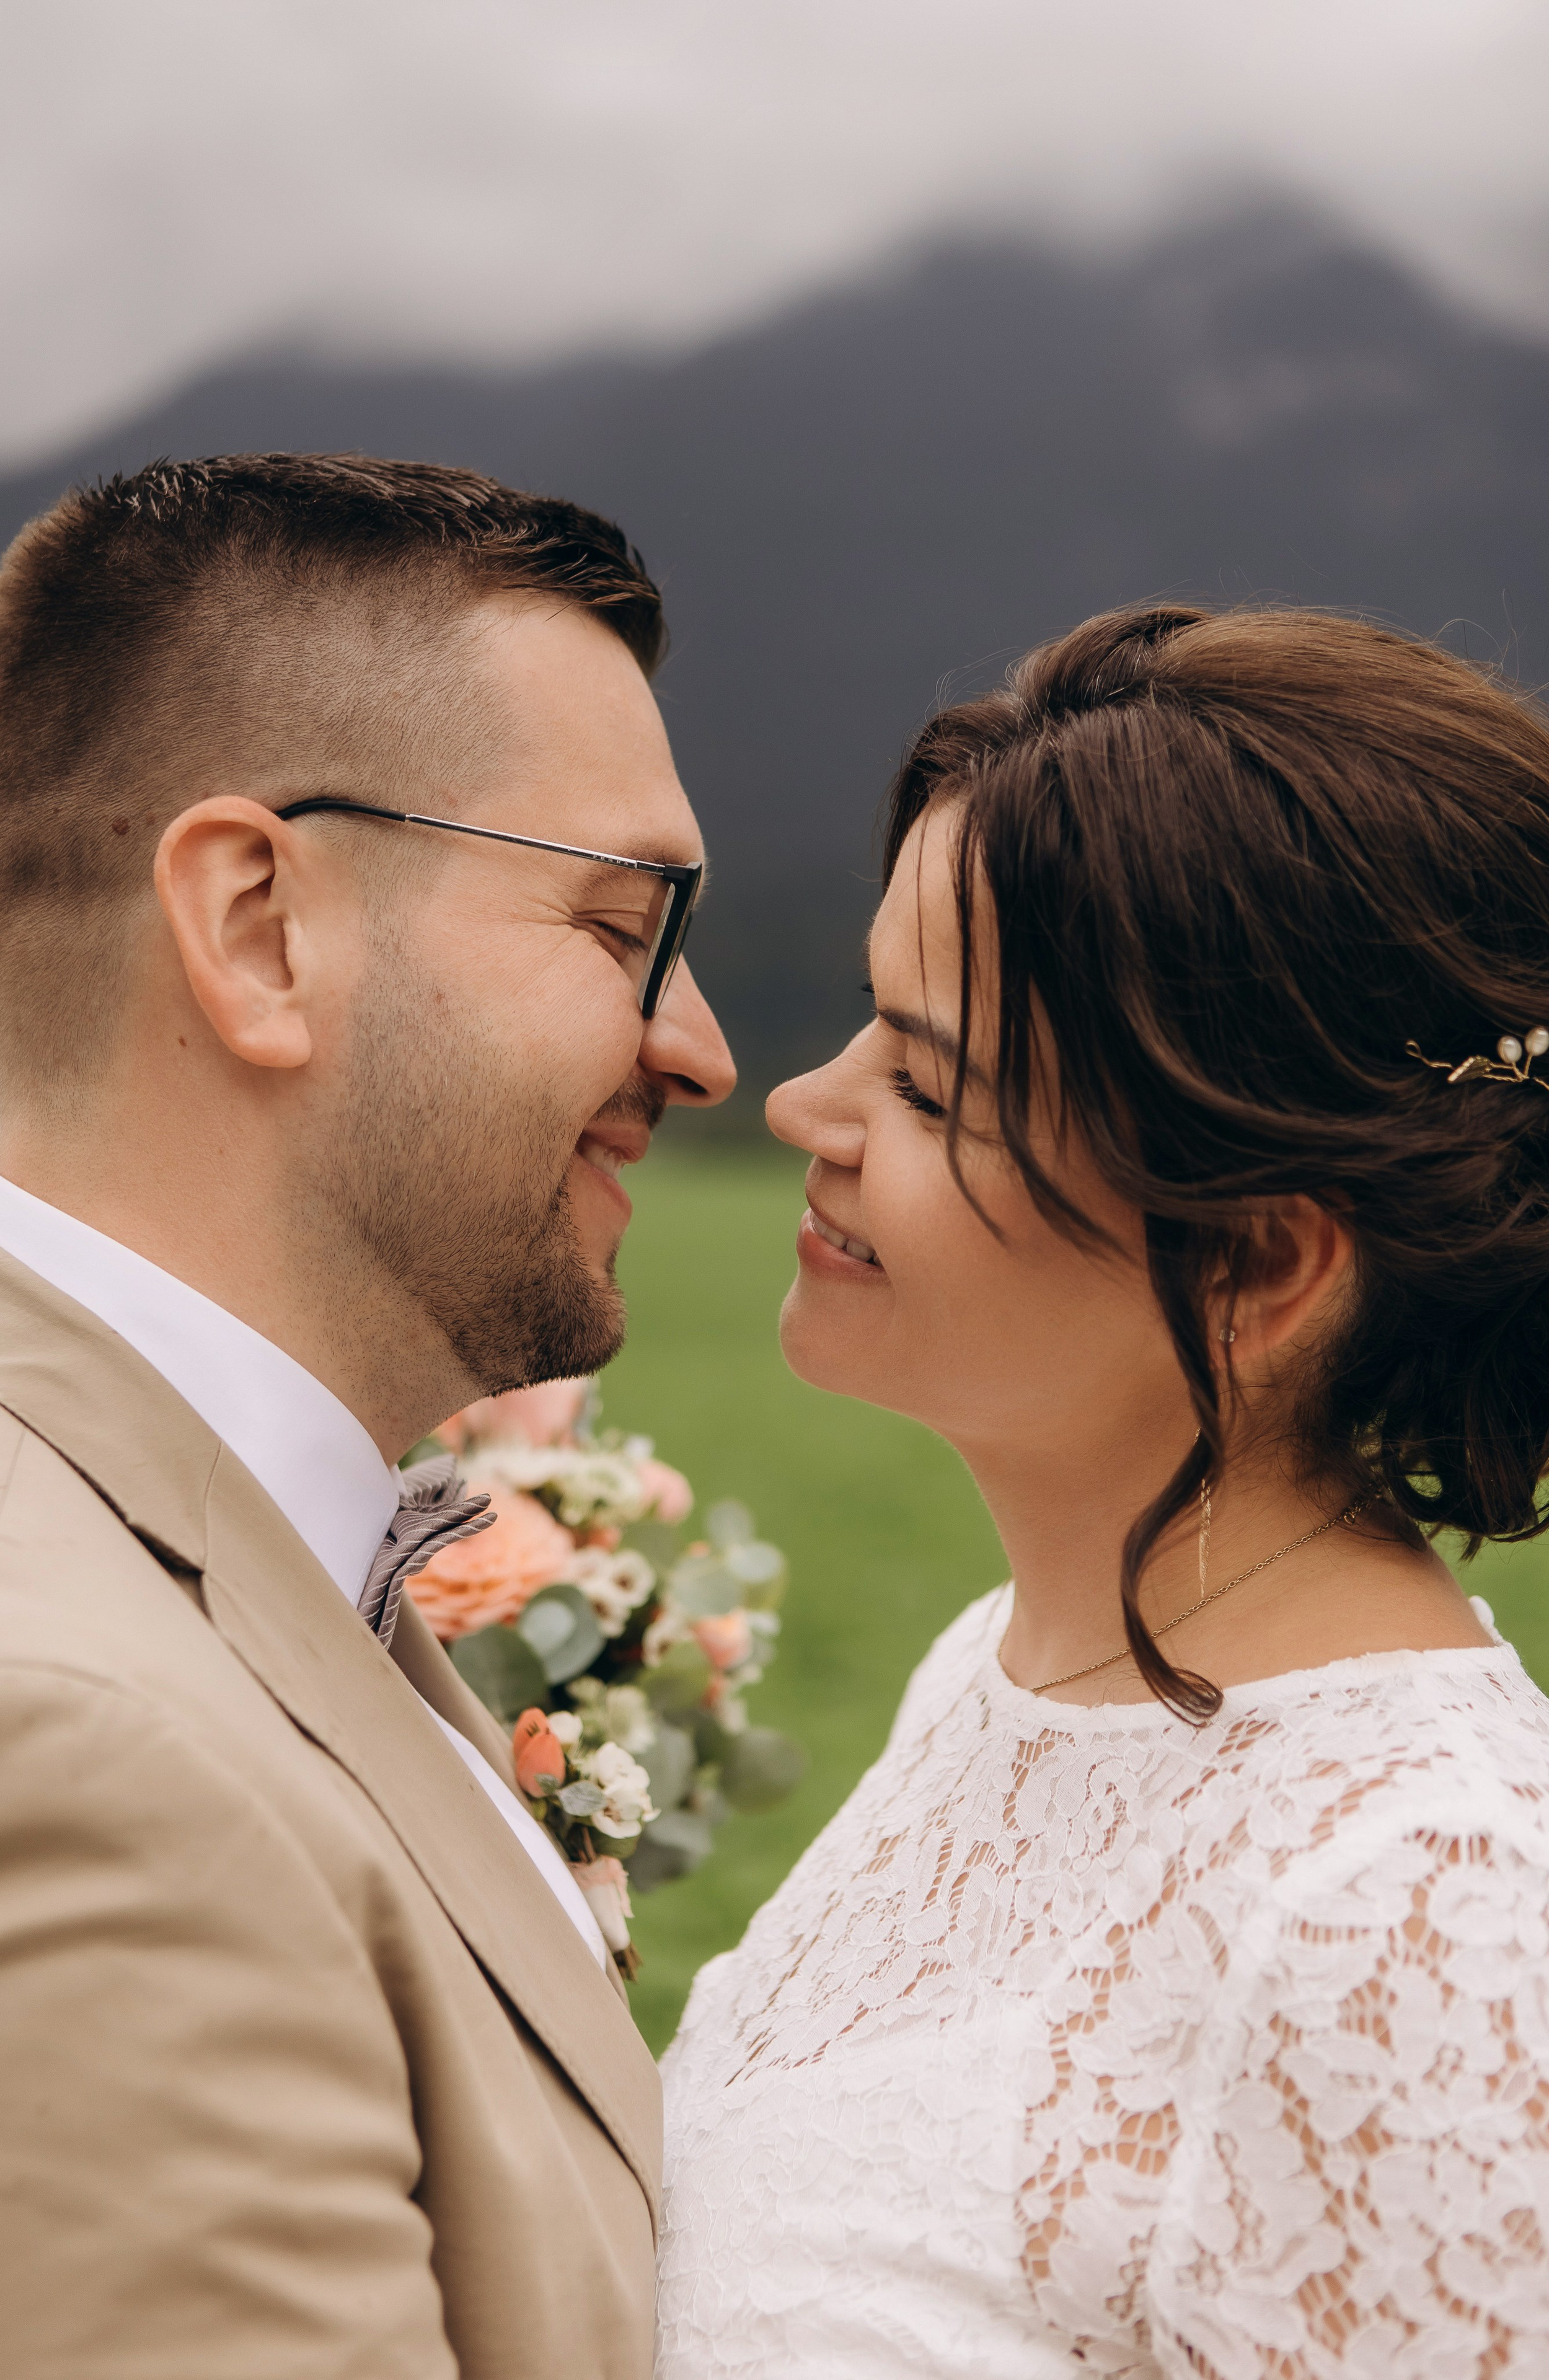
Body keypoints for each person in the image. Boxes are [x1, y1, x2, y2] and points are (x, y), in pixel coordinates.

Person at [657, 604, 1549, 2376]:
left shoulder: (1418, 1913)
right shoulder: (1005, 1669)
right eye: (865, 1025)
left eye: (926, 1084)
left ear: (1258, 1266)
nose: (803, 1110)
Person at [0, 451, 735, 2378]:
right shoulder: (79, 1749)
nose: (704, 1051)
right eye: (620, 924)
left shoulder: (217, 1572)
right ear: (256, 928)